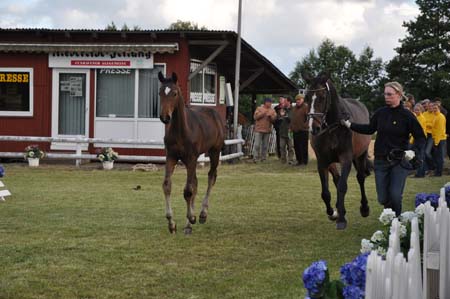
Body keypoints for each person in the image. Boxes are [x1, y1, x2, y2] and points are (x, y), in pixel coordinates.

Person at [341, 82, 426, 216]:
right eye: (385, 94)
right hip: (381, 161)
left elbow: (421, 137)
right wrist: (350, 125)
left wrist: (413, 151)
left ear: (399, 95)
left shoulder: (407, 116)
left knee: (395, 195)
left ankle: (396, 223)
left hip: (399, 161)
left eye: (389, 94)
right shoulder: (380, 113)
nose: (386, 97)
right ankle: (389, 213)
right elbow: (369, 129)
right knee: (383, 198)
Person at [253, 97, 277, 162]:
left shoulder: (272, 110)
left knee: (265, 146)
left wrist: (270, 117)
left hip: (267, 130)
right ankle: (255, 158)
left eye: (271, 102)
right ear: (266, 102)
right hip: (259, 130)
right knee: (257, 145)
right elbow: (255, 117)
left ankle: (263, 158)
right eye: (269, 102)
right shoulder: (259, 108)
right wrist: (263, 113)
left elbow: (274, 120)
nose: (270, 103)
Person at [290, 94, 309, 165]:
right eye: (297, 100)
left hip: (303, 130)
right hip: (295, 130)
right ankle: (299, 160)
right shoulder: (294, 108)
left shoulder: (306, 107)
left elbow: (309, 117)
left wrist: (305, 125)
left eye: (299, 100)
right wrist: (291, 127)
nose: (298, 101)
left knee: (303, 146)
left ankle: (304, 161)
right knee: (296, 146)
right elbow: (292, 118)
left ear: (303, 100)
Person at [430, 102, 446, 176]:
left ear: (439, 108)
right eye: (433, 108)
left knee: (440, 157)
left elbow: (439, 130)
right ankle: (437, 172)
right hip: (436, 138)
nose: (434, 109)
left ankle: (439, 173)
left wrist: (436, 142)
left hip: (440, 139)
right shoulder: (435, 116)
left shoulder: (440, 117)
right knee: (436, 156)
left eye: (435, 108)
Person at [411, 104, 427, 177]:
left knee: (420, 156)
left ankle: (420, 173)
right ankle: (420, 172)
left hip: (420, 139)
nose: (416, 111)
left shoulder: (422, 118)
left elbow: (419, 130)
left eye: (418, 110)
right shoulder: (416, 117)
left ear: (421, 110)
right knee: (418, 156)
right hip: (417, 139)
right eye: (415, 110)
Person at [277, 98, 295, 164]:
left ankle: (291, 160)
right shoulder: (282, 109)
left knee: (291, 147)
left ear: (289, 102)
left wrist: (286, 117)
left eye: (285, 101)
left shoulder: (293, 109)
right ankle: (283, 160)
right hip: (282, 131)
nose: (283, 103)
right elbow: (278, 118)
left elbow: (293, 119)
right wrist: (280, 117)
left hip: (290, 131)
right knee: (282, 147)